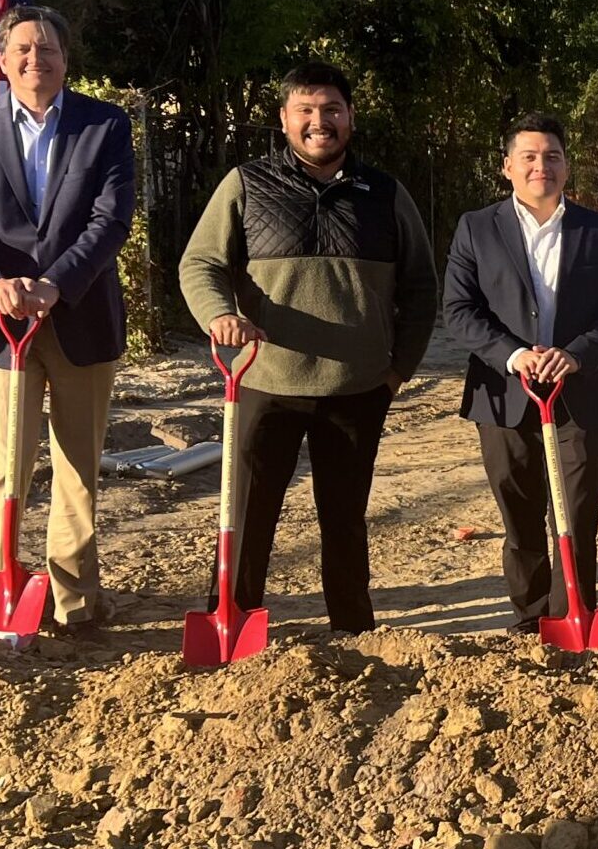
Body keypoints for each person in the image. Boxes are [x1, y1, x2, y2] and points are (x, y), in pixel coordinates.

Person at [178, 62, 437, 633]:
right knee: (248, 515)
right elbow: (200, 263)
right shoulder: (247, 185)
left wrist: (397, 372)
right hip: (262, 381)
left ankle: (351, 628)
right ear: (285, 120)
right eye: (306, 111)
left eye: (331, 111)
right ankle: (234, 619)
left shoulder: (386, 195)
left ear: (349, 117)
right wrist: (219, 315)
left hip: (357, 387)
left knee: (343, 518)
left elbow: (421, 287)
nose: (320, 122)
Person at [0, 5, 135, 638]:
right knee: (6, 469)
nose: (34, 59)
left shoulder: (104, 126)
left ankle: (73, 602)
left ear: (66, 60)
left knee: (77, 472)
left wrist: (55, 284)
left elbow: (111, 220)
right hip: (5, 329)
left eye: (47, 49)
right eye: (22, 48)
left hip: (81, 319)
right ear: (2, 58)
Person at [441, 113, 598, 636]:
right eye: (528, 156)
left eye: (551, 156)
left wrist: (575, 354)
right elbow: (460, 309)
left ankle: (572, 616)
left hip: (577, 394)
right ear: (508, 167)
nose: (540, 166)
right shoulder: (477, 228)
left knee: (575, 514)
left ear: (566, 166)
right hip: (504, 396)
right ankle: (529, 618)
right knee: (520, 514)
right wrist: (512, 354)